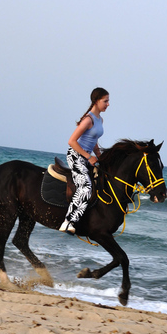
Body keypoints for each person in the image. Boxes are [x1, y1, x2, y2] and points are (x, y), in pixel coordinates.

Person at [59, 87, 109, 234]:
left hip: (87, 156)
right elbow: (72, 141)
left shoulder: (100, 119)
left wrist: (100, 156)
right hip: (76, 156)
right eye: (105, 101)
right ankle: (68, 222)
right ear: (96, 101)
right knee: (86, 187)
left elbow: (93, 140)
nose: (108, 104)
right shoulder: (88, 119)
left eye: (108, 101)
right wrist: (88, 157)